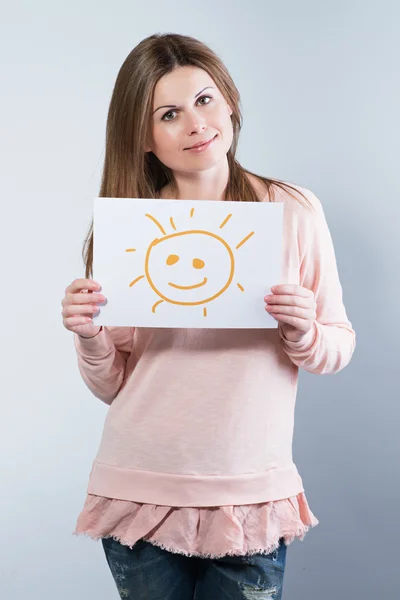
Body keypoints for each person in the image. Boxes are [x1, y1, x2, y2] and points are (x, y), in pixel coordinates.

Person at [61, 33, 356, 600]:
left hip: (248, 492)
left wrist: (304, 330)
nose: (196, 124)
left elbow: (337, 347)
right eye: (169, 114)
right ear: (143, 138)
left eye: (204, 100)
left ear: (229, 102)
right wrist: (91, 336)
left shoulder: (291, 210)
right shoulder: (130, 230)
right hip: (139, 486)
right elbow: (114, 384)